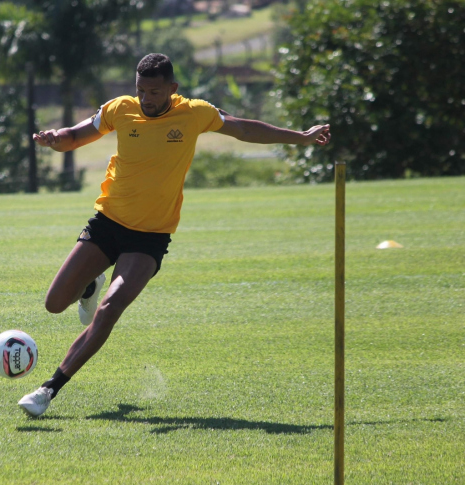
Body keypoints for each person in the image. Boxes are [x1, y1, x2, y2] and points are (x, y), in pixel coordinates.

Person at [18, 53, 331, 417]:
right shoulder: (120, 109)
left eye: (154, 91)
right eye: (140, 91)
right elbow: (75, 136)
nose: (146, 99)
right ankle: (89, 284)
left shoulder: (194, 113)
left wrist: (301, 138)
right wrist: (57, 137)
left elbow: (243, 129)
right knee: (55, 303)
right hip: (108, 224)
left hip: (149, 238)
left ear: (172, 88)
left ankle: (48, 390)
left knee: (109, 309)